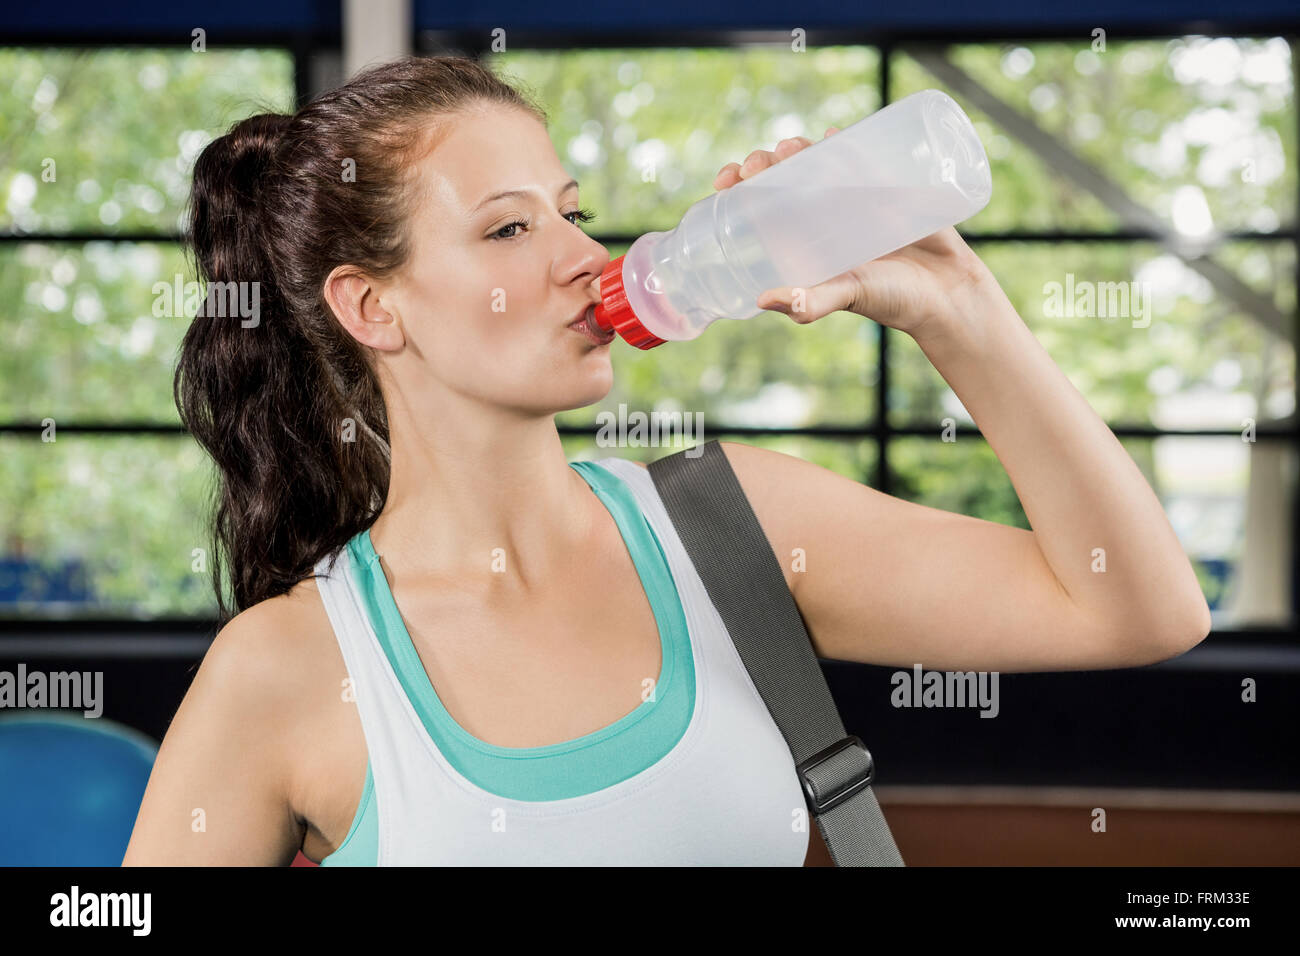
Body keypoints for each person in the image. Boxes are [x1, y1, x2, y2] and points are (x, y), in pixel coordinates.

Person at [122, 54, 1211, 866]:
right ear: (372, 305)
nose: (585, 257)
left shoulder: (733, 526)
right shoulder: (283, 671)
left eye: (571, 214)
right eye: (508, 231)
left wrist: (956, 309)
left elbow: (1142, 609)